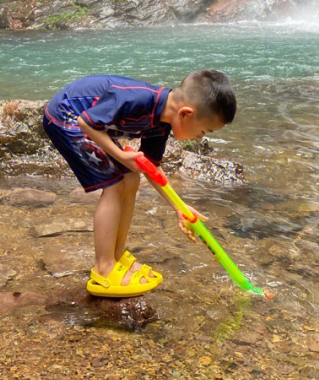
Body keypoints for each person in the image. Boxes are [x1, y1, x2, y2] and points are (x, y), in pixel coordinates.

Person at [42, 70, 236, 297]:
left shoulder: (162, 123)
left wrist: (179, 208)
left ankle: (117, 255)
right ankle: (104, 269)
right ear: (185, 114)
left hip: (88, 124)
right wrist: (120, 155)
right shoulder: (137, 99)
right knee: (114, 184)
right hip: (66, 117)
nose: (200, 138)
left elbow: (153, 170)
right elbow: (86, 122)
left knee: (131, 178)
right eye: (203, 131)